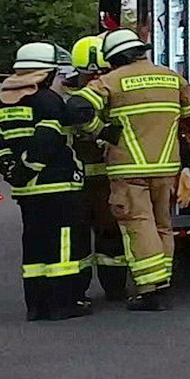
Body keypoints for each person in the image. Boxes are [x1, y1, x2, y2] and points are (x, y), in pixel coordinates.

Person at [73, 29, 190, 310]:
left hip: (129, 168)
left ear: (114, 58)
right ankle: (163, 283)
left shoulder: (111, 80)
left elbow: (77, 107)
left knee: (139, 225)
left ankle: (149, 290)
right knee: (163, 225)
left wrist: (101, 130)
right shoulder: (171, 77)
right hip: (167, 167)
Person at [0, 43, 93, 321]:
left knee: (35, 245)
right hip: (58, 185)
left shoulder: (4, 102)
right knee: (63, 246)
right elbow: (48, 138)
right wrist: (28, 167)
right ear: (47, 74)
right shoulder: (48, 100)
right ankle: (64, 303)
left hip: (26, 191)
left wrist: (10, 167)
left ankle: (36, 305)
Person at [64, 34, 127, 301]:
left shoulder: (66, 95)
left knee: (104, 236)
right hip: (85, 179)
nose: (96, 78)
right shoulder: (75, 97)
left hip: (94, 178)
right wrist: (102, 131)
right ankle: (86, 291)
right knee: (85, 238)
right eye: (93, 74)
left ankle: (109, 289)